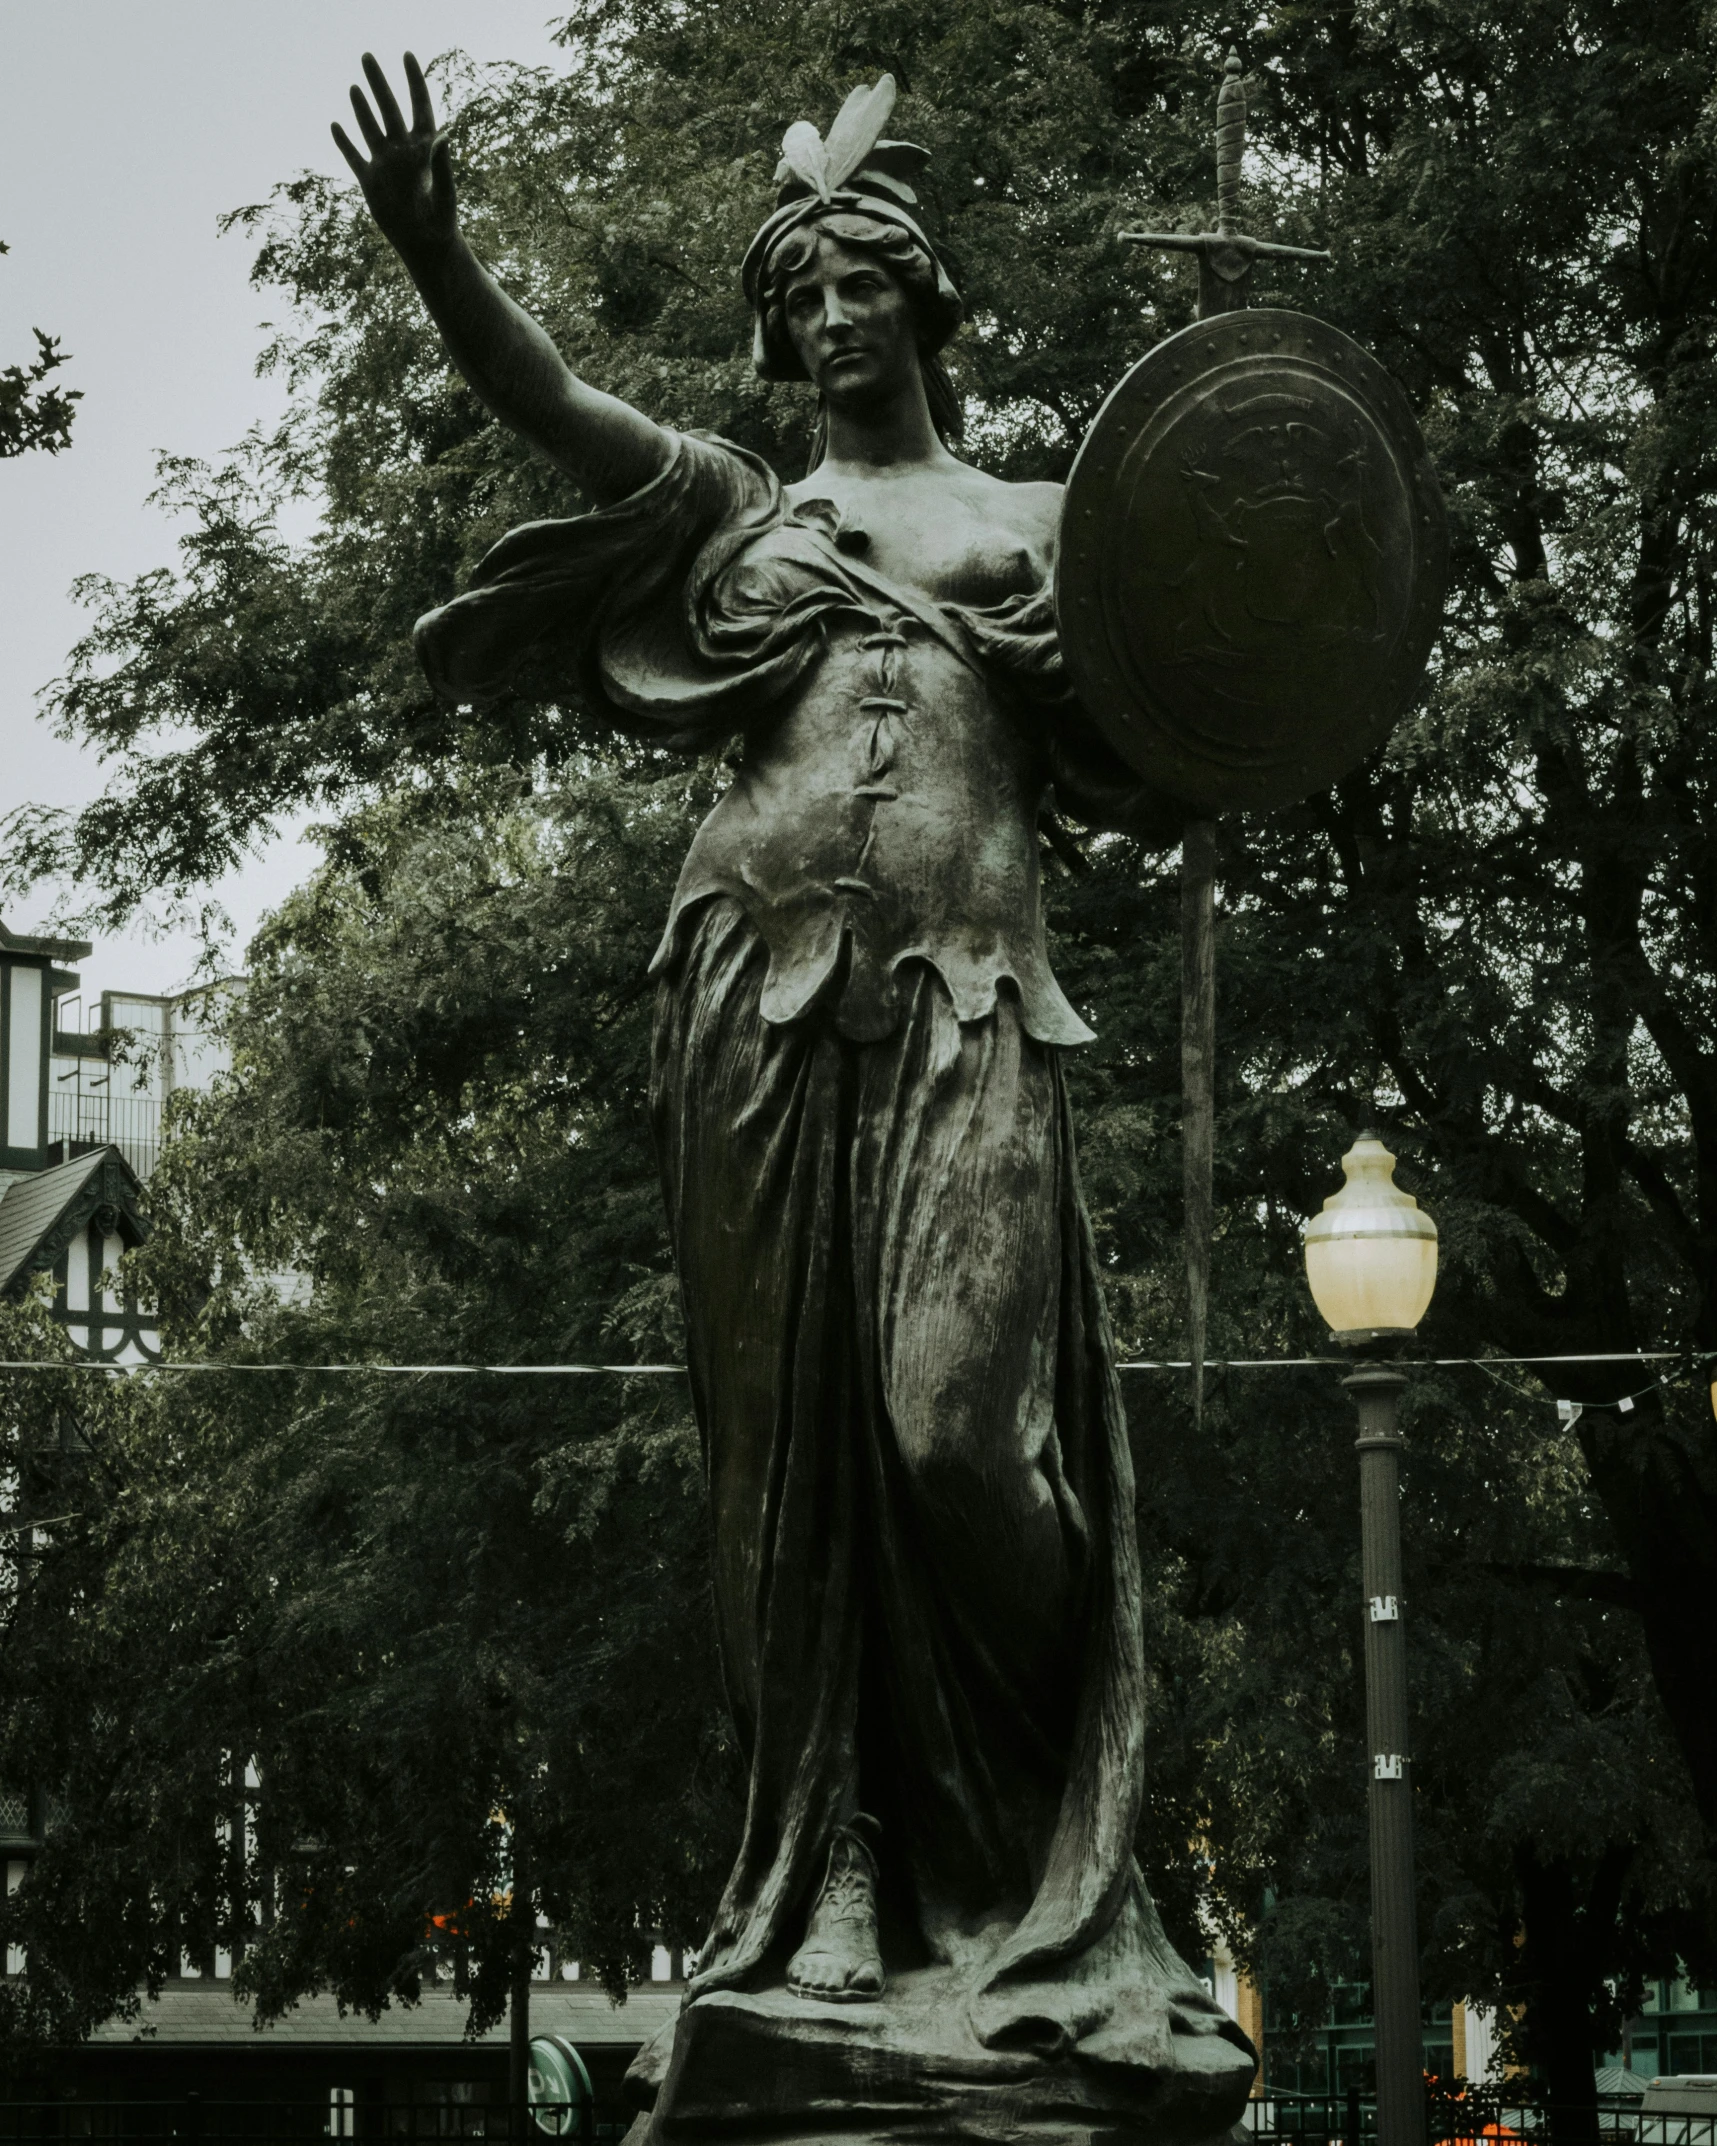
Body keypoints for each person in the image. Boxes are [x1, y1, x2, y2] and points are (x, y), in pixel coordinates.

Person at [334, 55, 1248, 2080]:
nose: (828, 322)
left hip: (969, 997)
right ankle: (831, 1875)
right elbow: (561, 408)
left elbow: (1211, 698)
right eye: (799, 295)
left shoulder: (1040, 521)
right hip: (746, 986)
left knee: (952, 1430)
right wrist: (439, 257)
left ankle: (1034, 1880)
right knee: (781, 1472)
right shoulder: (749, 512)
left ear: (925, 301)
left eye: (860, 287)